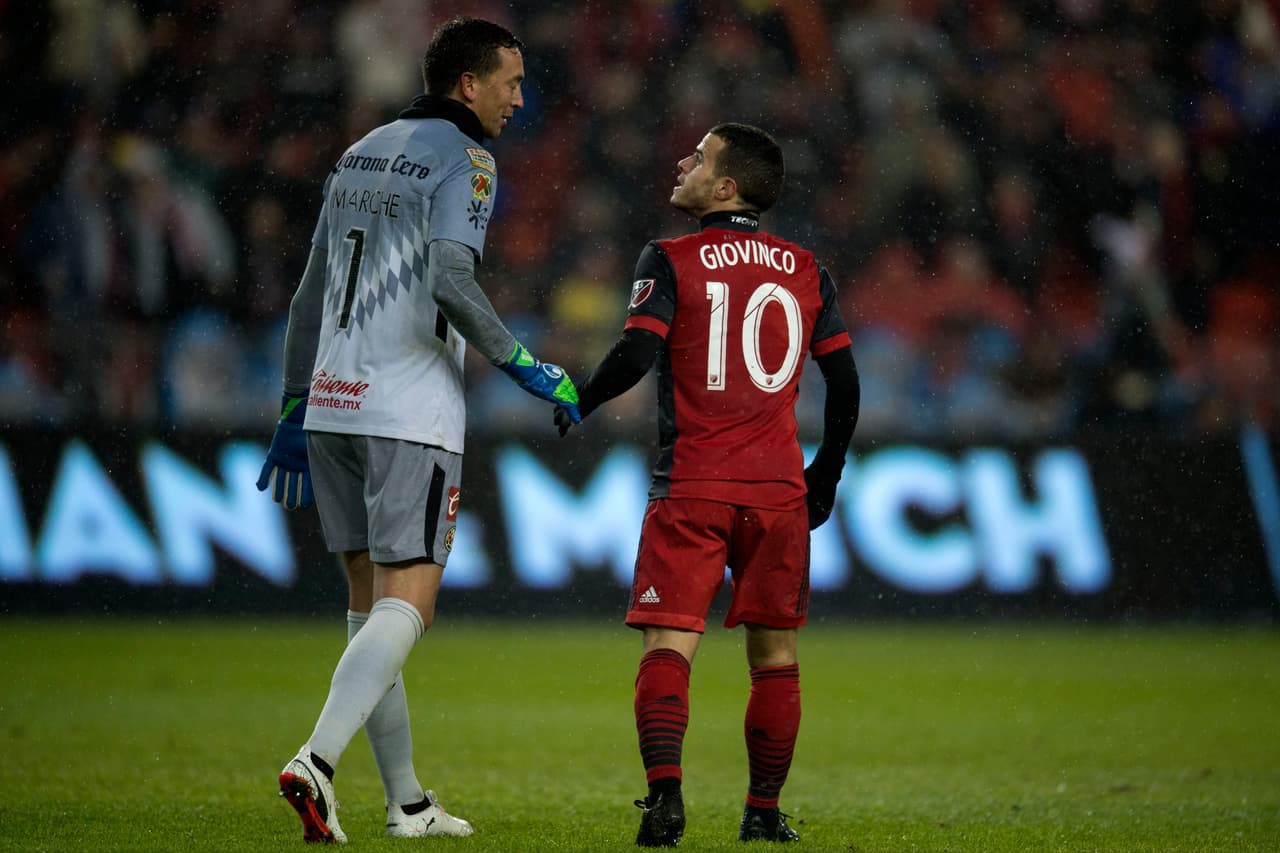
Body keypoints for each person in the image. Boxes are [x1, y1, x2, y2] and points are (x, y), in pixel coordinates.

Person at [256, 17, 580, 844]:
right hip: (409, 409)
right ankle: (316, 761)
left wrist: (293, 403)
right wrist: (523, 363)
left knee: (370, 609)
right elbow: (449, 277)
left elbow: (307, 295)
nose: (519, 98)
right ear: (467, 84)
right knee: (412, 605)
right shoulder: (468, 160)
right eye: (510, 81)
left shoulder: (360, 152)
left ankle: (406, 802)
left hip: (332, 403)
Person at [556, 123, 859, 845]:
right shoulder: (807, 269)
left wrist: (581, 398)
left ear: (726, 187)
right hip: (777, 491)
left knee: (669, 642)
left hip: (692, 484)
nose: (682, 162)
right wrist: (825, 473)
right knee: (775, 658)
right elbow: (845, 382)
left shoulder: (668, 257)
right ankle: (762, 812)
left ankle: (666, 798)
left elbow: (637, 352)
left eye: (697, 157)